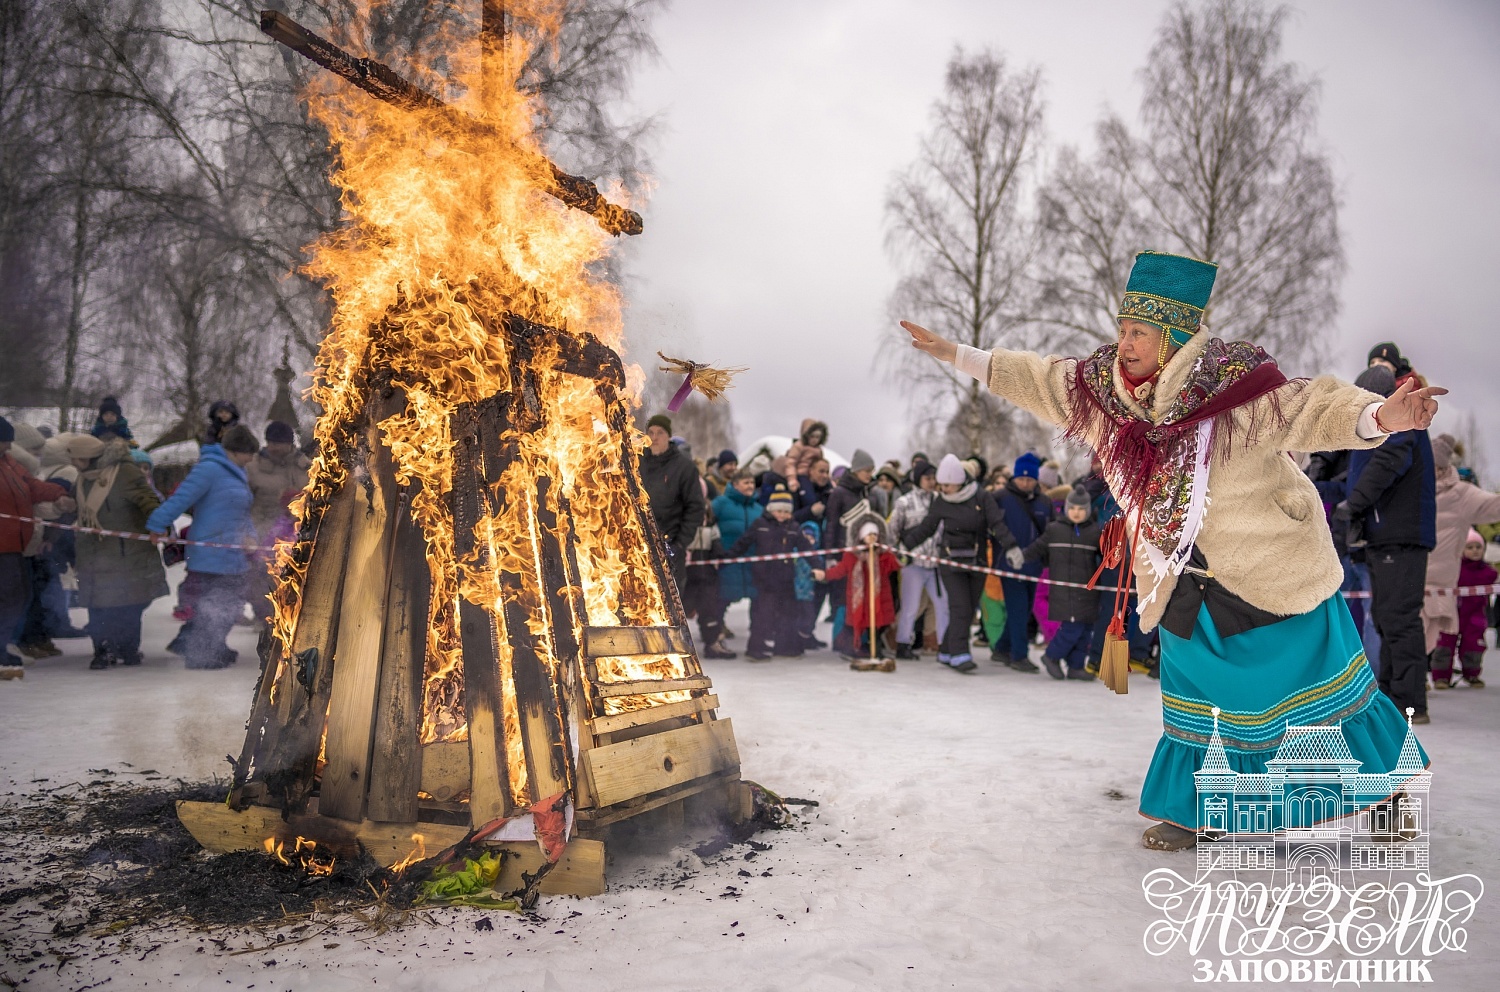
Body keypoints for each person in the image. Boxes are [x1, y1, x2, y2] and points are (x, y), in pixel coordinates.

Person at [903, 248, 1443, 851]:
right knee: (1196, 701)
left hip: (1269, 567)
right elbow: (1038, 378)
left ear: (1175, 338)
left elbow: (1311, 407)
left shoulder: (1239, 388)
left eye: (1140, 332)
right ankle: (1194, 810)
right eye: (1122, 329)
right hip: (1181, 575)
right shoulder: (1103, 395)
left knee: (1319, 698)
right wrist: (956, 354)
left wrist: (1380, 413)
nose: (1125, 343)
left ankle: (1393, 789)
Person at [1342, 368, 1437, 724]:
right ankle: (1391, 696)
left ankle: (1411, 702)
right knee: (1385, 618)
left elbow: (1385, 465)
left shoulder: (1401, 427)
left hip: (1401, 535)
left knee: (1399, 619)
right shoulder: (1387, 427)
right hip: (1386, 535)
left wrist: (1353, 504)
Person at [147, 424, 259, 670]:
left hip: (233, 553)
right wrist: (157, 525)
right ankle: (200, 654)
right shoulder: (208, 470)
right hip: (211, 552)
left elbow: (242, 513)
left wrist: (251, 537)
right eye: (250, 452)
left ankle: (214, 646)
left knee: (229, 604)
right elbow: (180, 499)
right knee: (214, 604)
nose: (252, 458)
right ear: (237, 450)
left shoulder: (236, 473)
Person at [901, 454, 1019, 673]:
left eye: (947, 485)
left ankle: (946, 650)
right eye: (941, 485)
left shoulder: (981, 497)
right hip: (950, 562)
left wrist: (1011, 546)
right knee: (960, 607)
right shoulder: (941, 502)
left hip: (977, 561)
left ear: (958, 481)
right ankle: (959, 654)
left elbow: (996, 523)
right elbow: (926, 528)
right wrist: (904, 547)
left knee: (967, 608)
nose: (943, 489)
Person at [69, 435, 170, 669]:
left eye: (77, 459)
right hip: (93, 553)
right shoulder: (84, 477)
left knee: (130, 605)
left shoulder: (125, 472)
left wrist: (158, 525)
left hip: (127, 554)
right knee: (97, 605)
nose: (73, 463)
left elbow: (149, 501)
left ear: (90, 457)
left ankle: (128, 648)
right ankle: (102, 650)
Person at [1, 417, 76, 678]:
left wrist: (57, 495)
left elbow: (32, 487)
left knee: (18, 596)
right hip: (3, 542)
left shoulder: (10, 463)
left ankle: (2, 646)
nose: (8, 446)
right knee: (9, 597)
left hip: (14, 544)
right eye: (4, 441)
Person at [1422, 434, 1500, 685]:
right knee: (1407, 640)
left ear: (1444, 465)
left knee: (1435, 637)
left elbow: (1493, 506)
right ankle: (1412, 683)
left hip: (1440, 584)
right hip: (1410, 578)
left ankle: (1420, 683)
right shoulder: (1412, 488)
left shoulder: (1461, 493)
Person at [728, 486, 820, 660]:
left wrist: (818, 566)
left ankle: (785, 646)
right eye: (779, 511)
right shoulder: (760, 524)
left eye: (786, 512)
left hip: (786, 577)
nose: (782, 515)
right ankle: (756, 647)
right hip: (765, 578)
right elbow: (743, 543)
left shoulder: (793, 527)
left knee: (789, 613)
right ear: (771, 509)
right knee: (763, 613)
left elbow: (806, 549)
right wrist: (727, 557)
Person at [1024, 485, 1102, 680]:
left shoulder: (1095, 532)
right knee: (1071, 628)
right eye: (1073, 508)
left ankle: (1075, 666)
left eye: (1081, 509)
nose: (1076, 513)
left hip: (1087, 591)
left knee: (1085, 630)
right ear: (1067, 508)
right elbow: (1037, 548)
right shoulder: (1055, 529)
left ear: (1087, 510)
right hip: (1063, 590)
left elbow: (1106, 556)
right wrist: (1020, 557)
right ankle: (1051, 656)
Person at [245, 422, 311, 624]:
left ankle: (290, 617)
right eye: (272, 443)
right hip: (262, 529)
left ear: (290, 444)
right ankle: (264, 616)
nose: (276, 447)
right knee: (261, 576)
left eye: (280, 443)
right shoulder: (253, 467)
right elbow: (243, 500)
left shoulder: (305, 465)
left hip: (297, 532)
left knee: (293, 576)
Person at [993, 452, 1053, 670]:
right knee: (1018, 609)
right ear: (1015, 477)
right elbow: (994, 527)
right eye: (1022, 478)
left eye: (1030, 479)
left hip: (1034, 564)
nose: (1026, 483)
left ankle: (1001, 648)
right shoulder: (1000, 498)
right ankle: (1019, 656)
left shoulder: (1045, 502)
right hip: (1009, 564)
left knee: (1025, 609)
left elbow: (1050, 531)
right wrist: (1009, 547)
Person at [637, 413, 704, 595]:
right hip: (639, 545)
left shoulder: (684, 467)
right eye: (650, 432)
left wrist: (681, 542)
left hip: (670, 544)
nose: (654, 437)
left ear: (668, 435)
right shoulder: (637, 463)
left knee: (670, 600)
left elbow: (695, 507)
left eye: (659, 432)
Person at [887, 461, 948, 660]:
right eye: (927, 478)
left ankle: (945, 644)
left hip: (936, 564)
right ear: (917, 479)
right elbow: (893, 531)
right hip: (913, 564)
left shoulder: (941, 500)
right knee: (911, 606)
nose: (931, 483)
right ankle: (903, 643)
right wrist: (900, 555)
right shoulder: (904, 502)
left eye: (933, 478)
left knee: (942, 604)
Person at [823, 518, 901, 670]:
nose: (872, 538)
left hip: (878, 598)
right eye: (868, 534)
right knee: (857, 625)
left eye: (875, 534)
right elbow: (840, 570)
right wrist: (824, 575)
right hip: (860, 600)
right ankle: (854, 649)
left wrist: (900, 558)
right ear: (861, 536)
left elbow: (894, 564)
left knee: (877, 626)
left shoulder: (882, 554)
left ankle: (876, 651)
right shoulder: (852, 555)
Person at [822, 448, 876, 654]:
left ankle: (857, 640)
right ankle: (841, 641)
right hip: (843, 555)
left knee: (859, 599)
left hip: (861, 555)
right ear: (856, 470)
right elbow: (831, 526)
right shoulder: (839, 493)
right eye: (867, 470)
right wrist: (830, 556)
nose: (870, 474)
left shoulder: (864, 491)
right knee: (843, 600)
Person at [1434, 531, 1495, 688]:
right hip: (1452, 612)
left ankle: (1472, 674)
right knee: (1445, 644)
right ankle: (1441, 677)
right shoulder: (1454, 569)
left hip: (1475, 615)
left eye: (1478, 547)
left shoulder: (1489, 572)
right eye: (1470, 547)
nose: (1475, 550)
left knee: (1474, 645)